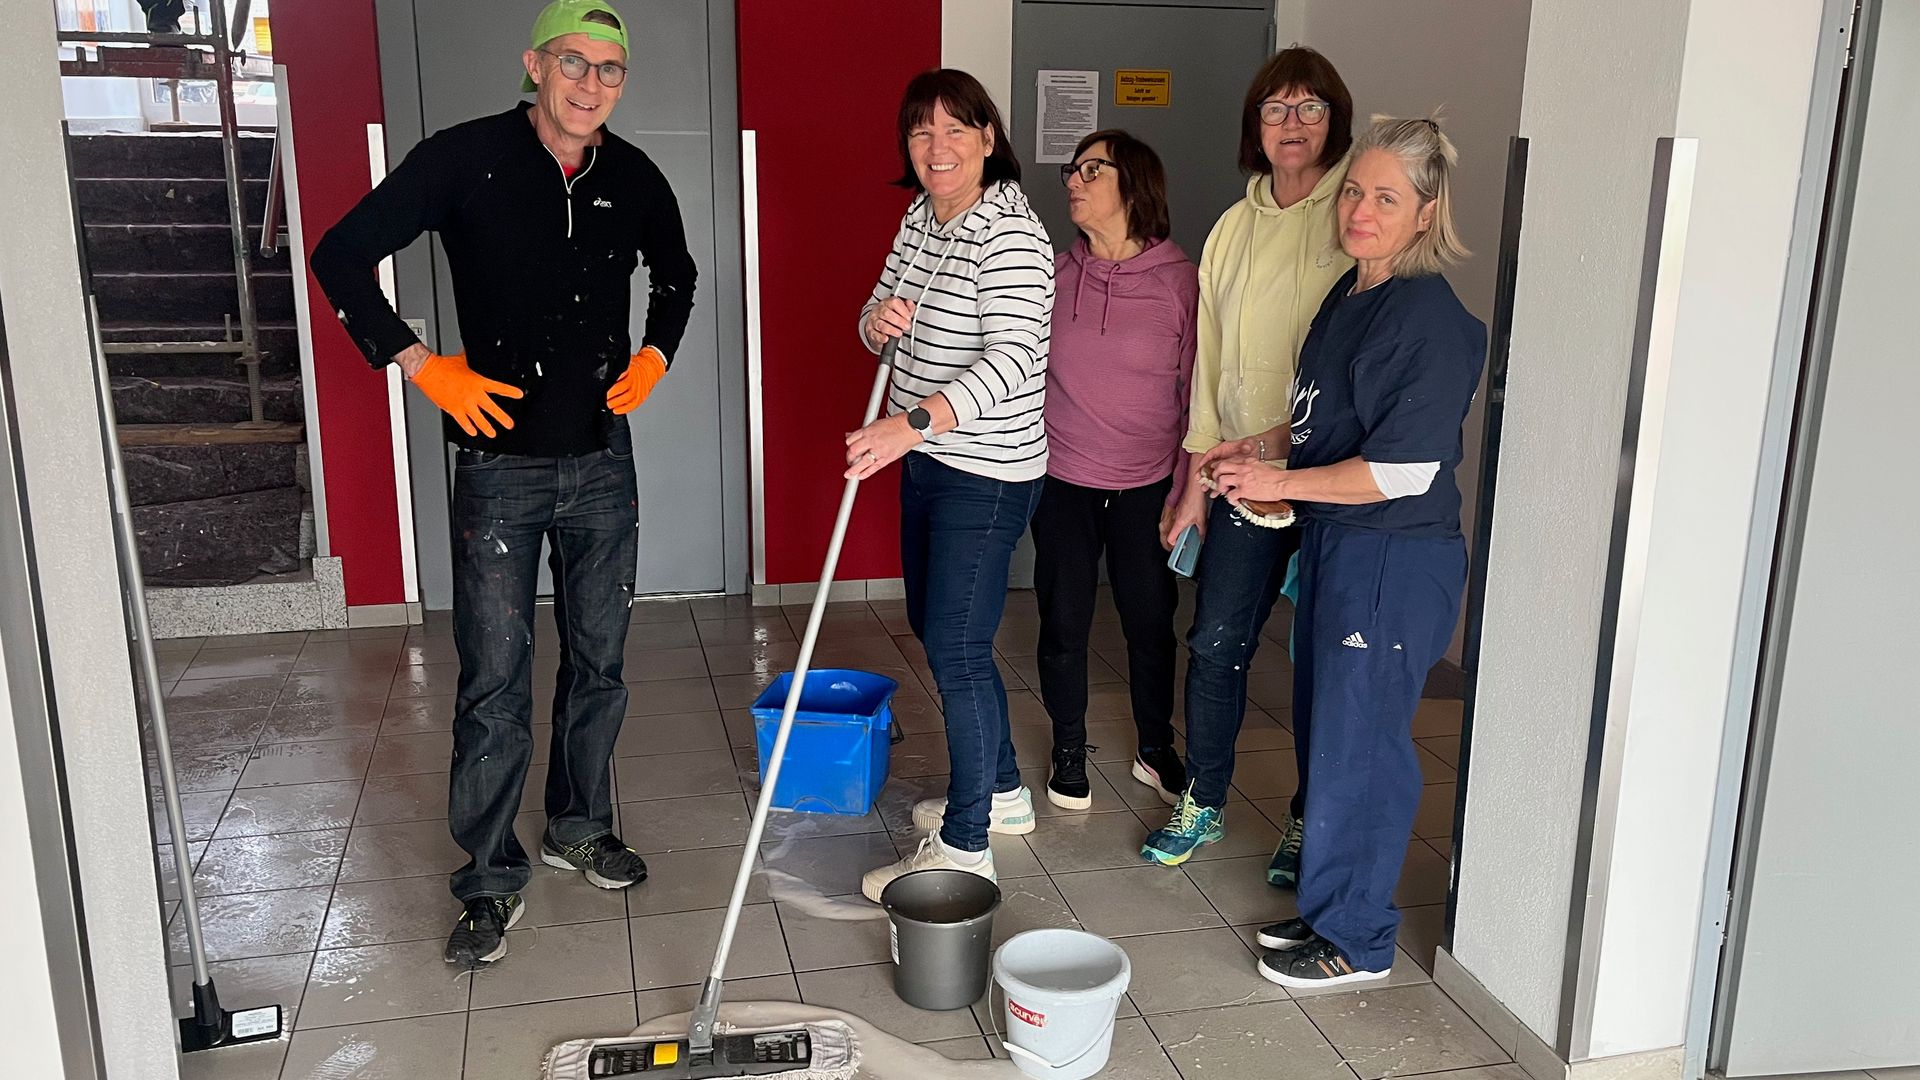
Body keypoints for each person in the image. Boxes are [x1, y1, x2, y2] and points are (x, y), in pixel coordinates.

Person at [311, 0, 697, 968]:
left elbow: (679, 275)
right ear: (535, 64)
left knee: (600, 662)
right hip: (498, 468)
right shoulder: (465, 159)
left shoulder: (633, 177)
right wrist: (417, 362)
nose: (591, 84)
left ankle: (578, 824)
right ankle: (488, 876)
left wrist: (656, 352)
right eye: (574, 62)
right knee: (493, 680)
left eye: (610, 69)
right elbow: (338, 255)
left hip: (602, 463)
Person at [1209, 116, 1483, 987]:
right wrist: (1258, 448)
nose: (1361, 210)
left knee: (1362, 750)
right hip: (1340, 547)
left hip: (1391, 561)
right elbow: (1323, 420)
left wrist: (1278, 482)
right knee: (1331, 735)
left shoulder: (1429, 320)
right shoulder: (1350, 294)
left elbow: (1402, 471)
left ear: (1426, 212)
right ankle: (1331, 905)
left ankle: (1358, 940)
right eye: (1355, 191)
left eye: (1387, 198)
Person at [1141, 47, 1355, 874]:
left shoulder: (1356, 212)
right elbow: (1210, 363)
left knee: (1324, 657)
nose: (1292, 124)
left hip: (1331, 474)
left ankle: (1310, 821)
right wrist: (1197, 484)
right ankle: (1203, 801)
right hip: (1239, 476)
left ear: (1335, 118)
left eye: (1310, 107)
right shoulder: (1233, 226)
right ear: (1254, 126)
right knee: (1217, 640)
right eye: (1275, 108)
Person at [845, 69, 1054, 903]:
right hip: (929, 460)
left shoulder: (1012, 236)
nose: (937, 148)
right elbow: (874, 316)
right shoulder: (920, 217)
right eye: (921, 132)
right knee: (941, 635)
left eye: (955, 130)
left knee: (958, 648)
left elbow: (1014, 360)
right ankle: (1001, 792)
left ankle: (966, 846)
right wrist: (876, 324)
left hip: (987, 471)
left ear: (988, 139)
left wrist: (910, 425)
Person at [1031, 130, 1197, 810]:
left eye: (1091, 169)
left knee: (1150, 623)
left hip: (1147, 485)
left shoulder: (1180, 282)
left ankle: (1155, 747)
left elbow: (1197, 396)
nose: (1074, 180)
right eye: (1072, 170)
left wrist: (1187, 489)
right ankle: (1068, 749)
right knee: (1063, 624)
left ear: (1134, 183)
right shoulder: (1053, 274)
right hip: (1062, 481)